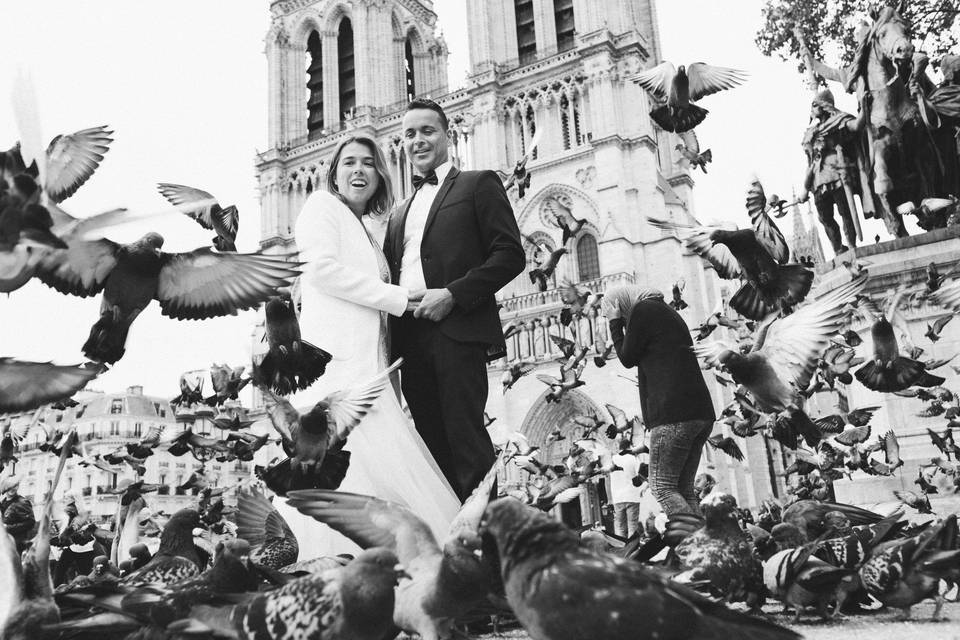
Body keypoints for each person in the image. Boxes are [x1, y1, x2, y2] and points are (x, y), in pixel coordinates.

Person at [281, 134, 460, 558]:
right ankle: (350, 570)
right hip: (336, 367)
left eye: (368, 163)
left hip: (369, 368)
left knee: (380, 467)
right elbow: (321, 272)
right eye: (349, 163)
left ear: (382, 175)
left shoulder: (367, 229)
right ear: (333, 174)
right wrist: (400, 299)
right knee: (350, 468)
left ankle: (398, 570)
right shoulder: (321, 207)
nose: (359, 170)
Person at [384, 98, 525, 501]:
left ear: (448, 135)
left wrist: (453, 295)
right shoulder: (399, 211)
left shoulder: (477, 183)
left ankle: (487, 541)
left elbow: (510, 254)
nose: (418, 141)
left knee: (467, 439)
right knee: (431, 444)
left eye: (427, 131)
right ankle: (452, 538)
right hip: (410, 339)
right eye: (409, 134)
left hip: (456, 330)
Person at [602, 285, 716, 547]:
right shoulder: (665, 312)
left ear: (621, 304)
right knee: (684, 488)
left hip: (673, 414)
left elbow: (627, 357)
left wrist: (614, 323)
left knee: (662, 486)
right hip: (699, 414)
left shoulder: (643, 310)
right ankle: (711, 545)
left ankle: (701, 549)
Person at [799, 88, 873, 252]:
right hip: (818, 179)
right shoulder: (810, 133)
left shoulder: (839, 121)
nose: (811, 110)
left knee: (845, 212)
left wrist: (864, 106)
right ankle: (838, 248)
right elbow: (810, 162)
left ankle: (852, 245)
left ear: (823, 106)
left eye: (814, 106)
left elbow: (856, 125)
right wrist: (804, 189)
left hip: (838, 174)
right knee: (824, 217)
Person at [53, 493, 105, 586]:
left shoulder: (70, 510)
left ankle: (55, 591)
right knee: (83, 573)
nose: (64, 499)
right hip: (81, 546)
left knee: (61, 570)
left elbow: (70, 528)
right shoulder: (81, 511)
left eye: (67, 497)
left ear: (73, 500)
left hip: (80, 545)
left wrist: (61, 537)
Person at [608, 439, 643, 538]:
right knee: (633, 526)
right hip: (632, 496)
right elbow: (640, 475)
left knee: (620, 527)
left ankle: (621, 550)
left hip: (617, 498)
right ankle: (633, 549)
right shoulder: (634, 459)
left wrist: (610, 499)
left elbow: (607, 479)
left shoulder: (612, 459)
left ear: (619, 447)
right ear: (629, 446)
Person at [0, 475, 36, 553]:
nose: (13, 488)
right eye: (10, 486)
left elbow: (30, 522)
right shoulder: (3, 502)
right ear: (5, 487)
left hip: (17, 544)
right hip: (5, 542)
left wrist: (8, 528)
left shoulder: (22, 502)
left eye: (15, 486)